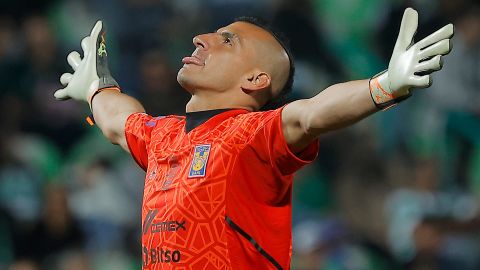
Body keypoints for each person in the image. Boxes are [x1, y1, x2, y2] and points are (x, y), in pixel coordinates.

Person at [53, 8, 453, 270]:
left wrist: (384, 86)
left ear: (256, 80)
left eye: (227, 40)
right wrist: (97, 88)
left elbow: (312, 113)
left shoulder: (252, 136)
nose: (200, 39)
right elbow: (117, 121)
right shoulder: (164, 136)